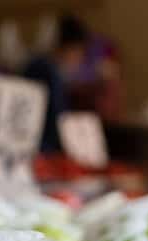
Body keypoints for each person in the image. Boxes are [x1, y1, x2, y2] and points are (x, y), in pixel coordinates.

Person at [22, 15, 89, 153]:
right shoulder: (49, 72)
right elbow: (58, 123)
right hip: (42, 150)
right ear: (72, 48)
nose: (79, 60)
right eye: (79, 53)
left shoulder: (37, 65)